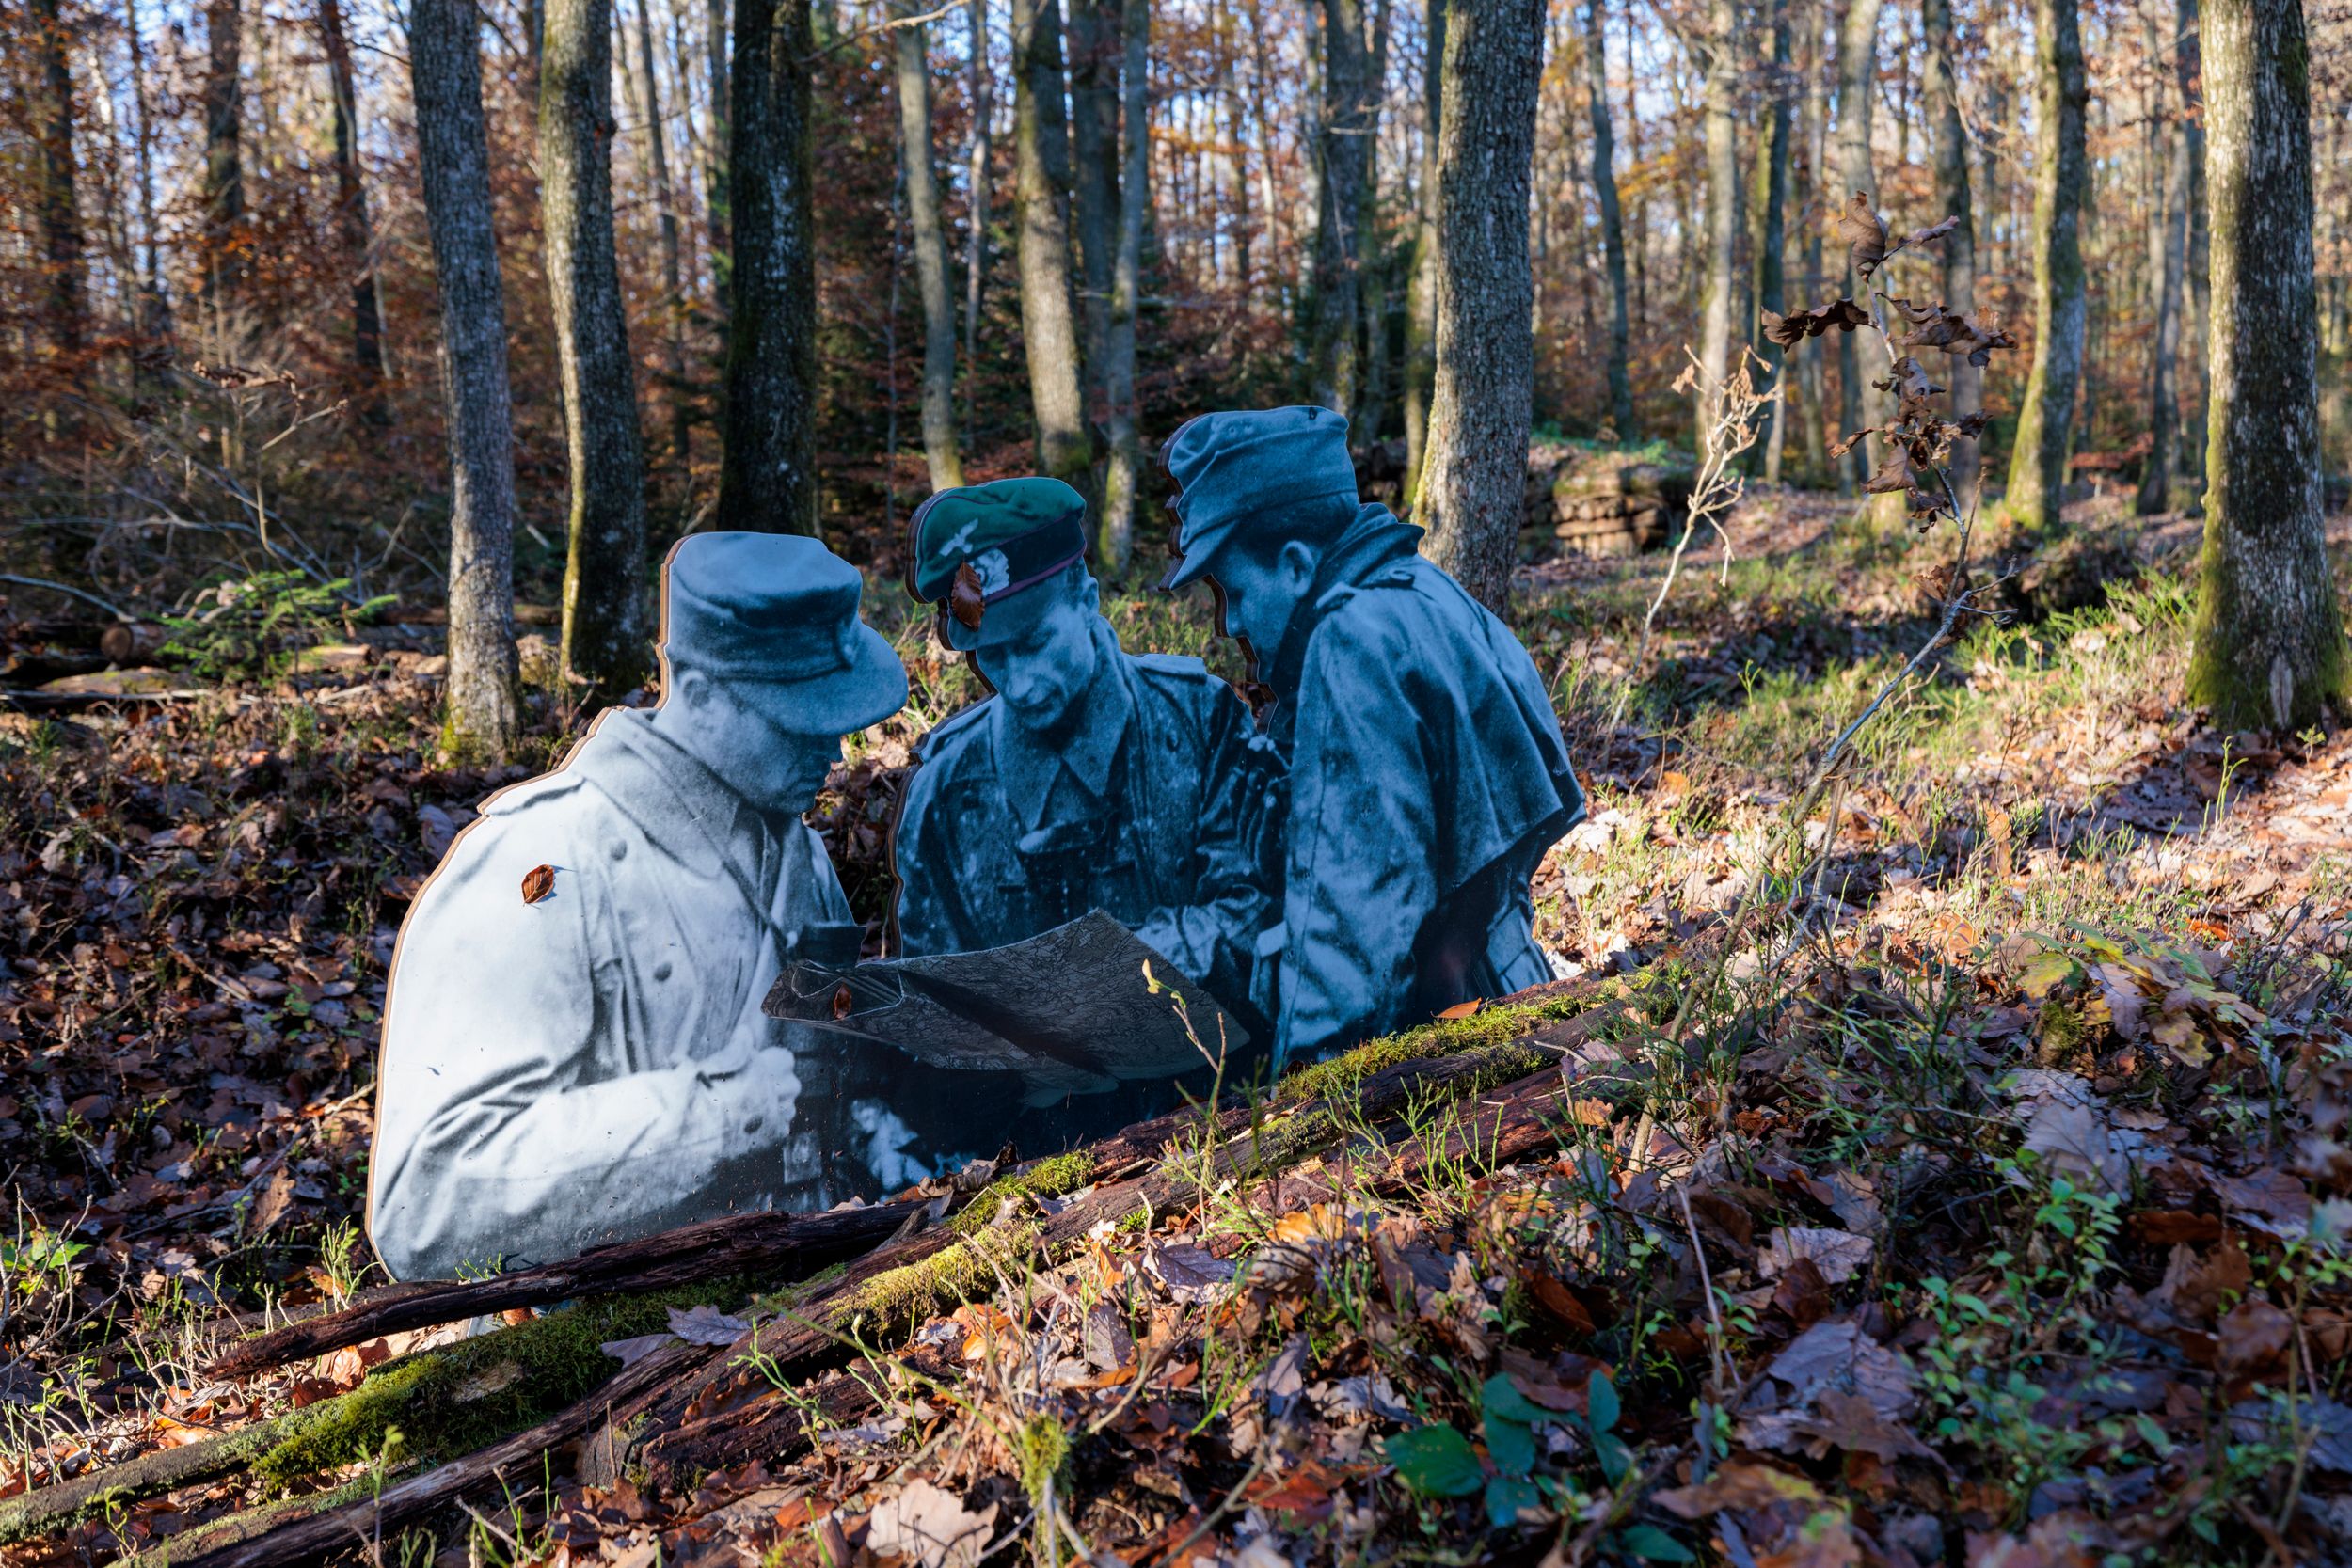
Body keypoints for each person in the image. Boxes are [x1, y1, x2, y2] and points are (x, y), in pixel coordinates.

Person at [369, 534, 918, 1281]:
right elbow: (425, 1205)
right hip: (602, 1358)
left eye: (834, 716)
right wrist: (718, 1115)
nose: (831, 748)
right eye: (795, 717)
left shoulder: (796, 853)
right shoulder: (544, 864)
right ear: (696, 694)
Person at [1158, 405, 1585, 1070]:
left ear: (1297, 564)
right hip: (1498, 1009)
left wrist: (1296, 1113)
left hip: (1437, 1077)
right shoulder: (1426, 593)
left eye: (1231, 589)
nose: (1228, 620)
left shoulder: (1350, 645)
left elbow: (1350, 950)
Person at [894, 476, 1277, 1056]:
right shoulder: (945, 789)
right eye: (993, 654)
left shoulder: (1198, 721)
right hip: (1027, 1130)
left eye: (1037, 643)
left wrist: (1119, 975)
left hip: (1211, 1100)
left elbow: (1258, 906)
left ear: (1087, 596)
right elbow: (932, 993)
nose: (1019, 682)